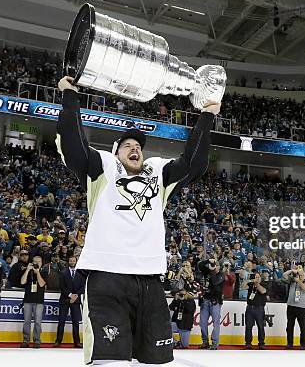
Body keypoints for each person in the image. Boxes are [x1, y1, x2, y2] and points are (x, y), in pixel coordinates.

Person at [55, 76, 220, 365]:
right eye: (128, 145)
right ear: (116, 152)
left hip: (150, 280)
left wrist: (207, 115)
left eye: (139, 146)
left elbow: (195, 163)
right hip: (105, 278)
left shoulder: (157, 173)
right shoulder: (102, 169)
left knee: (156, 361)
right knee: (111, 361)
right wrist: (70, 96)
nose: (135, 149)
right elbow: (72, 145)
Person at [55, 256, 84, 348]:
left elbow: (83, 286)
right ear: (68, 261)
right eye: (70, 260)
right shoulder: (63, 272)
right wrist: (70, 295)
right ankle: (58, 341)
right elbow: (62, 287)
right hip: (64, 300)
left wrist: (75, 296)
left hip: (76, 300)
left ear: (76, 261)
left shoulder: (80, 273)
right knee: (61, 321)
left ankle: (77, 342)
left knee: (75, 322)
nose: (72, 262)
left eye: (73, 260)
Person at [20, 255, 48, 349]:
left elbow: (42, 284)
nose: (37, 263)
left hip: (39, 301)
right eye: (35, 262)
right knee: (26, 321)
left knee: (37, 322)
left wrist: (37, 273)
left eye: (39, 262)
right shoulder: (28, 272)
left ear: (41, 263)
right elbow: (22, 282)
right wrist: (28, 270)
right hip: (28, 300)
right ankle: (25, 340)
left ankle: (37, 341)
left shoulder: (44, 272)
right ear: (32, 262)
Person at [198, 258, 225, 350]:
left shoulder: (221, 275)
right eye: (214, 265)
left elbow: (215, 282)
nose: (214, 266)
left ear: (219, 267)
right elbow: (199, 265)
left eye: (216, 265)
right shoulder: (207, 272)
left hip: (215, 302)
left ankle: (215, 343)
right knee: (202, 323)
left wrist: (212, 271)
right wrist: (208, 261)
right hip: (205, 300)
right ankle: (205, 342)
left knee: (215, 323)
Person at [283, 264, 305, 349]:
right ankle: (289, 343)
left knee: (303, 326)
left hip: (301, 307)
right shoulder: (292, 281)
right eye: (299, 274)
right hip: (291, 305)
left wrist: (299, 281)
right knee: (289, 326)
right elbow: (284, 275)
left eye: (301, 275)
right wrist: (292, 271)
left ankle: (303, 344)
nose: (300, 276)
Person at [244, 271, 268, 350]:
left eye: (258, 277)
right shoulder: (250, 285)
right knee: (248, 326)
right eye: (255, 277)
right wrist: (248, 280)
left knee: (260, 326)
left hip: (259, 308)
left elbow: (263, 291)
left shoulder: (264, 284)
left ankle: (261, 343)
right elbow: (243, 287)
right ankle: (248, 343)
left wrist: (257, 283)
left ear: (261, 278)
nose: (256, 279)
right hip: (250, 308)